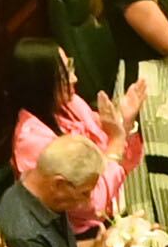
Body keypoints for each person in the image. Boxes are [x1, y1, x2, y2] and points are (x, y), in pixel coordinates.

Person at [10, 40, 148, 235]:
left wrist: (124, 121)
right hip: (79, 234)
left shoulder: (71, 103)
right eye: (64, 75)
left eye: (70, 67)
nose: (74, 78)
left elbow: (109, 145)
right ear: (41, 83)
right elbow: (93, 202)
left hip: (115, 203)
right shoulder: (32, 141)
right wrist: (118, 139)